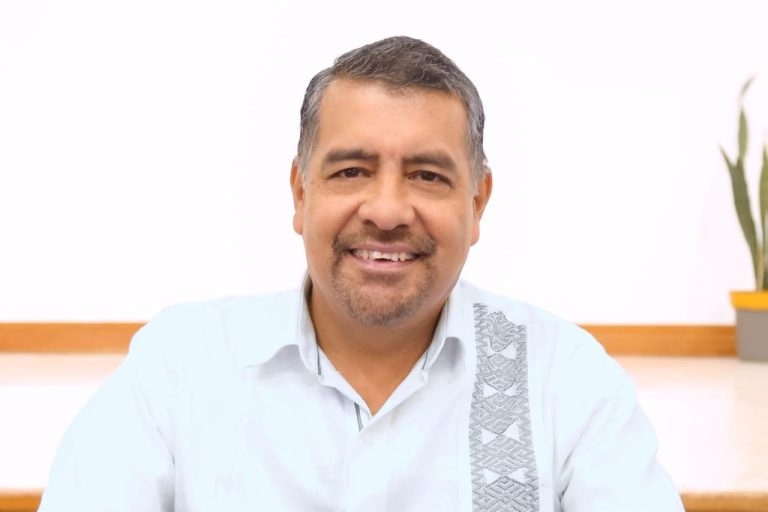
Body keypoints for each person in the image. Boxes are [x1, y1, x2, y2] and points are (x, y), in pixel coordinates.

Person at [39, 36, 684, 511]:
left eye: (427, 175)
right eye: (351, 171)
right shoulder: (181, 366)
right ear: (300, 193)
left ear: (478, 202)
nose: (386, 210)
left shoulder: (566, 379)